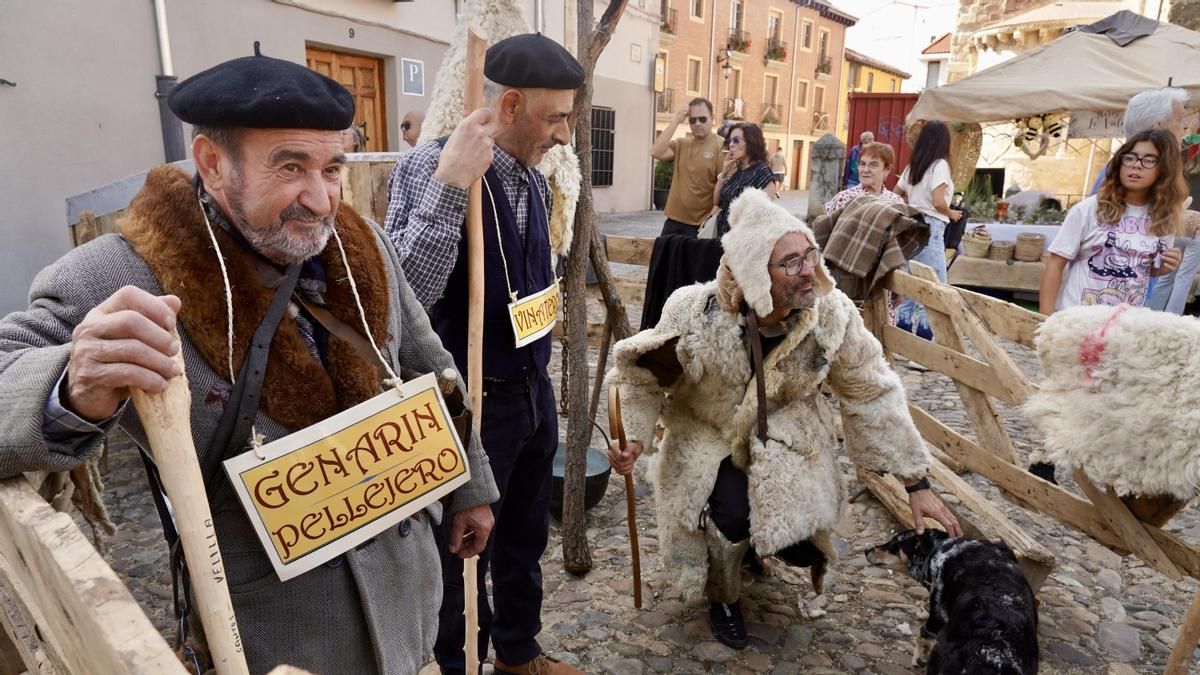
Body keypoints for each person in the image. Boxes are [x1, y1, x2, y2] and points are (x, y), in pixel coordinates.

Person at [0, 48, 499, 675]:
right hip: (278, 640)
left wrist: (470, 485)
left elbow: (429, 361)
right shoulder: (119, 275)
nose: (320, 199)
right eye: (290, 166)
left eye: (332, 168)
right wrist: (71, 388)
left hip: (410, 596)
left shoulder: (363, 244)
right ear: (212, 162)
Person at [606, 188, 962, 650]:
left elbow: (872, 389)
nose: (808, 270)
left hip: (790, 437)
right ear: (756, 274)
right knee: (732, 514)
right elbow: (640, 378)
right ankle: (724, 593)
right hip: (710, 434)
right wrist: (632, 437)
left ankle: (764, 545)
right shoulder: (694, 312)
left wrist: (917, 483)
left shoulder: (830, 315)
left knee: (797, 543)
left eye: (809, 254)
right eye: (790, 262)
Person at [383, 34, 584, 675]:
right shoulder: (430, 167)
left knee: (525, 539)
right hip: (469, 402)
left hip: (531, 389)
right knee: (459, 552)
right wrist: (450, 186)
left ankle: (517, 654)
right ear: (513, 104)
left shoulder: (535, 180)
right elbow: (399, 299)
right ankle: (456, 663)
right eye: (556, 117)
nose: (563, 134)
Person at [1030, 128, 1185, 484]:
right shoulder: (1091, 209)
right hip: (1077, 319)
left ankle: (1097, 464)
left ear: (1163, 169)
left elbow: (1147, 269)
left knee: (1109, 393)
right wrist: (1046, 317)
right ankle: (1044, 462)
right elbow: (1056, 262)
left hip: (1123, 324)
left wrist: (1165, 265)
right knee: (1067, 390)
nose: (1136, 166)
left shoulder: (1162, 219)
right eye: (1130, 157)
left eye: (1149, 160)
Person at [894, 120, 962, 339]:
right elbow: (938, 201)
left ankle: (903, 339)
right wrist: (951, 213)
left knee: (911, 285)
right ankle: (925, 341)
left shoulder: (914, 165)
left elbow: (897, 193)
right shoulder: (939, 165)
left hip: (911, 226)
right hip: (932, 227)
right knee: (933, 285)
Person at [651, 98, 724, 237]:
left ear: (712, 118)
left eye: (702, 119)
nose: (697, 123)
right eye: (692, 120)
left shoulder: (720, 146)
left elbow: (723, 184)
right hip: (673, 221)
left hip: (701, 225)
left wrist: (712, 216)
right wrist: (676, 121)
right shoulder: (681, 144)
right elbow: (656, 152)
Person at [714, 123, 777, 237]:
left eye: (736, 140)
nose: (731, 145)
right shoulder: (738, 170)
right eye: (729, 141)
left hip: (742, 244)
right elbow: (717, 201)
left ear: (751, 143)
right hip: (724, 240)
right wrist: (724, 172)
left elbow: (762, 216)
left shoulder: (762, 172)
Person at [824, 141, 903, 214]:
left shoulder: (896, 202)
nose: (865, 170)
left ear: (887, 170)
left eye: (873, 165)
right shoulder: (843, 199)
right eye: (862, 164)